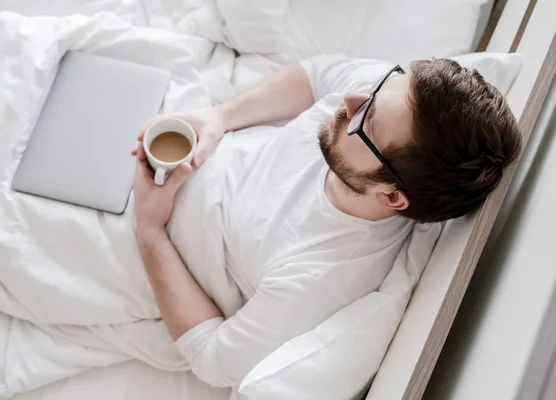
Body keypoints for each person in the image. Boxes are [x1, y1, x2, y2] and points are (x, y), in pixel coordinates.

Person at [130, 55, 521, 387]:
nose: (353, 99)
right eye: (380, 86)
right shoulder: (384, 105)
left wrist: (150, 230)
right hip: (191, 132)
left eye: (366, 122)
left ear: (391, 196)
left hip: (141, 239)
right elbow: (319, 73)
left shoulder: (318, 279)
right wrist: (218, 117)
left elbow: (211, 358)